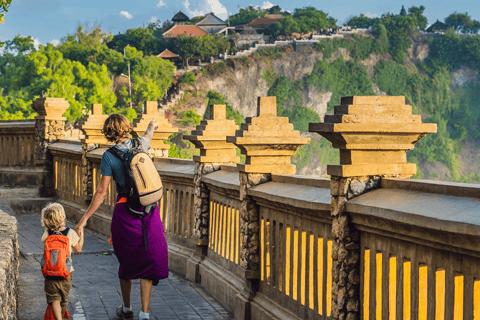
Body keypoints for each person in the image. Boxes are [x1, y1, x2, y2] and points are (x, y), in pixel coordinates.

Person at [75, 114, 168, 320]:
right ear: (127, 128)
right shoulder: (140, 144)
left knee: (127, 261)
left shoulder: (108, 156)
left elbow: (102, 191)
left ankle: (127, 309)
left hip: (126, 213)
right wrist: (152, 125)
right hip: (149, 210)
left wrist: (84, 219)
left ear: (108, 133)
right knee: (147, 260)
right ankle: (145, 313)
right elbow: (148, 134)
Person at [41, 203, 84, 320]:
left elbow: (43, 241)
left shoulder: (47, 233)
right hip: (66, 272)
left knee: (54, 298)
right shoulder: (70, 233)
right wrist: (81, 232)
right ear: (63, 217)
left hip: (50, 271)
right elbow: (78, 249)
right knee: (63, 299)